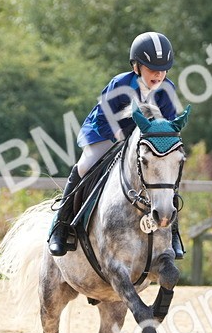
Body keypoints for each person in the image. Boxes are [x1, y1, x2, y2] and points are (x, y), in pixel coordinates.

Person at [47, 31, 182, 257]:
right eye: (152, 69)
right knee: (85, 166)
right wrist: (120, 134)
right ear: (136, 67)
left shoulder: (167, 89)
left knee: (165, 176)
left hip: (142, 142)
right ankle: (60, 226)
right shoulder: (120, 84)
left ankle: (173, 232)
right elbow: (104, 117)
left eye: (163, 69)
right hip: (106, 132)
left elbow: (166, 125)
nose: (159, 74)